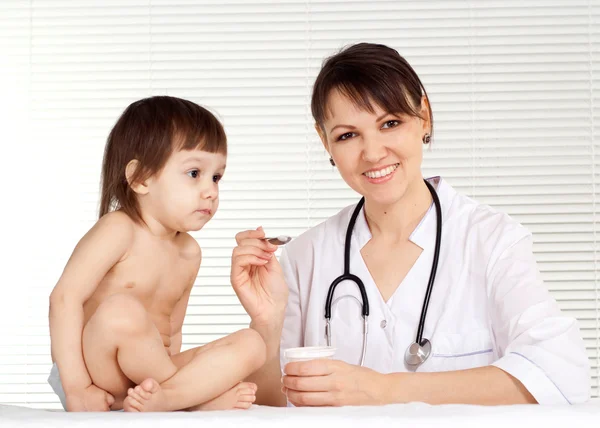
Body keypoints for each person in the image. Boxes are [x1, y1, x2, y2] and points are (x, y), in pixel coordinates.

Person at [232, 43, 591, 406]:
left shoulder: (491, 240)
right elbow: (267, 406)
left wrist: (380, 390)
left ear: (424, 116)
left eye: (390, 123)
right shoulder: (303, 258)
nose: (372, 153)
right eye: (347, 135)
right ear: (324, 141)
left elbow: (559, 374)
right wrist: (266, 322)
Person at [48, 96, 266, 412]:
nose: (211, 191)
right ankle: (190, 401)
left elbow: (172, 332)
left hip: (151, 376)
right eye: (194, 173)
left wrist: (173, 376)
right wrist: (77, 387)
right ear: (141, 178)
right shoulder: (119, 229)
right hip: (96, 371)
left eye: (216, 177)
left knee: (252, 344)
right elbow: (64, 299)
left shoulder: (189, 252)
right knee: (120, 311)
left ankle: (172, 397)